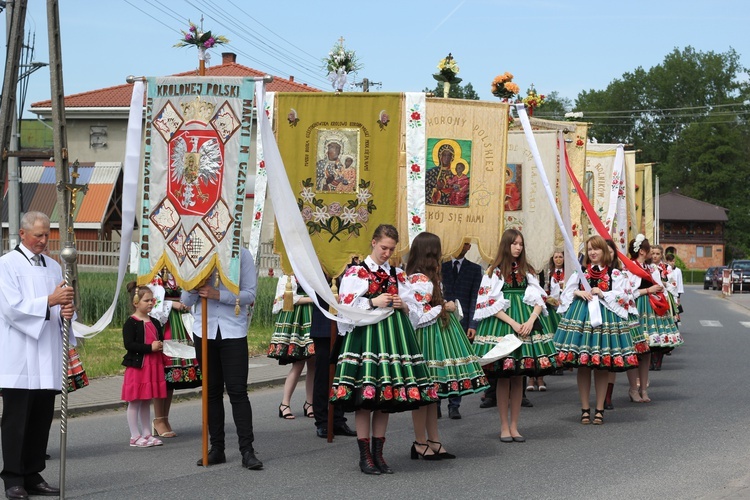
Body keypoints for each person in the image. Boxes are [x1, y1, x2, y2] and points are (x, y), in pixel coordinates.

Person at [330, 224, 438, 474]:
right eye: (383, 248)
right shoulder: (358, 272)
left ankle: (379, 453)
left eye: (391, 249)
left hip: (392, 339)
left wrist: (403, 305)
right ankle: (364, 455)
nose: (387, 253)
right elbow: (345, 307)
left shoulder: (398, 275)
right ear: (373, 242)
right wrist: (371, 301)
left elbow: (415, 308)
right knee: (364, 398)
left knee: (384, 397)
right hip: (367, 339)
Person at [0, 212, 75, 499]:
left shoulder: (55, 267)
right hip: (18, 355)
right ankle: (13, 478)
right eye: (38, 235)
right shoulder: (6, 265)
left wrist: (66, 310)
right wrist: (50, 302)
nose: (44, 241)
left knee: (41, 419)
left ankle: (33, 473)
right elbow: (11, 309)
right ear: (22, 234)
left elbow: (64, 304)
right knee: (16, 421)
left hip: (47, 354)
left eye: (47, 235)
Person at [404, 232, 488, 460]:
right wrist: (444, 308)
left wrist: (444, 306)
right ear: (431, 252)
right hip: (426, 337)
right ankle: (420, 441)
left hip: (437, 334)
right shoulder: (418, 279)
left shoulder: (427, 277)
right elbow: (417, 316)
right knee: (425, 392)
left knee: (432, 394)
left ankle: (433, 440)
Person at [472, 229, 557, 443]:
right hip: (504, 324)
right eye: (514, 243)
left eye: (520, 243)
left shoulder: (527, 271)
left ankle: (515, 426)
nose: (518, 247)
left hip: (525, 322)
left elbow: (539, 298)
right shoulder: (494, 271)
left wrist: (530, 321)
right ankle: (503, 426)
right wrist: (514, 323)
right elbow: (488, 304)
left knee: (519, 377)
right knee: (503, 378)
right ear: (506, 245)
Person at [181, 247, 262, 470]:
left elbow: (250, 294)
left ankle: (247, 450)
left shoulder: (241, 254)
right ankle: (217, 448)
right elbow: (186, 298)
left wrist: (218, 294)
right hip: (204, 331)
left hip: (233, 331)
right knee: (211, 391)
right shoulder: (197, 252)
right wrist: (197, 285)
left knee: (237, 391)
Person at [553, 236, 641, 425]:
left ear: (604, 252)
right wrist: (578, 292)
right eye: (590, 249)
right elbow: (567, 293)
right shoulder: (580, 273)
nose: (593, 252)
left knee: (602, 365)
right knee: (584, 365)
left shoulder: (615, 274)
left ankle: (599, 408)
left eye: (597, 249)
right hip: (582, 319)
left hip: (605, 321)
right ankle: (585, 408)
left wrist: (604, 293)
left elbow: (625, 296)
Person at [624, 235, 683, 403]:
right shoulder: (629, 269)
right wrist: (648, 290)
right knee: (636, 349)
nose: (651, 253)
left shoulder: (652, 269)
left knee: (647, 350)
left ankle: (643, 389)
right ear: (642, 251)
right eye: (649, 250)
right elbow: (627, 294)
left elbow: (662, 289)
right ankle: (633, 389)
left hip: (651, 310)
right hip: (636, 309)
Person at [149, 269, 201, 438]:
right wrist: (172, 304)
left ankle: (164, 418)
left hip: (181, 322)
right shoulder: (156, 273)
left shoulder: (180, 271)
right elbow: (151, 302)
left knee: (171, 376)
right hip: (165, 324)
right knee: (163, 372)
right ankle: (158, 419)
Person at [440, 241, 483, 419]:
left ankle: (454, 404)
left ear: (468, 247)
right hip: (439, 318)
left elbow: (475, 297)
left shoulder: (474, 269)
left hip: (462, 322)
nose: (461, 246)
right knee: (438, 359)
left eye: (465, 244)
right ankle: (434, 402)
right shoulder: (440, 266)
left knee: (457, 361)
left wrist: (473, 323)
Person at [122, 283, 166, 447]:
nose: (150, 303)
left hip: (152, 365)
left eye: (152, 300)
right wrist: (150, 348)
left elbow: (159, 339)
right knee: (135, 401)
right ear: (136, 302)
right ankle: (135, 436)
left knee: (147, 400)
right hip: (138, 366)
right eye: (146, 300)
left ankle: (147, 433)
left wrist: (161, 345)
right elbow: (129, 345)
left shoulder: (154, 321)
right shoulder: (131, 323)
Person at [309, 290, 356, 439]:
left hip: (345, 322)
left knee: (342, 374)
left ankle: (338, 419)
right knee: (323, 374)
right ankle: (322, 421)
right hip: (324, 324)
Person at [268, 274, 315, 419]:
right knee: (298, 363)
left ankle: (309, 403)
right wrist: (313, 299)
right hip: (297, 319)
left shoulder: (311, 271)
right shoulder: (288, 276)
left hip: (312, 316)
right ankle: (285, 404)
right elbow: (288, 298)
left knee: (313, 363)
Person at [530, 249, 566, 391]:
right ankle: (531, 379)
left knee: (545, 341)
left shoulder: (550, 272)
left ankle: (541, 378)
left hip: (550, 308)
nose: (558, 259)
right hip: (537, 307)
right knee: (533, 343)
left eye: (560, 257)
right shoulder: (544, 272)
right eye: (555, 257)